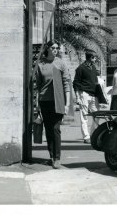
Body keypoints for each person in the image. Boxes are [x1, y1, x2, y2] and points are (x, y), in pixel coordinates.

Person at [35, 40, 71, 169]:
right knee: (48, 129)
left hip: (58, 100)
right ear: (48, 49)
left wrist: (67, 104)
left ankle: (57, 158)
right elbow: (38, 87)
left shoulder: (61, 63)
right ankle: (51, 155)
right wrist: (37, 105)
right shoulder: (40, 65)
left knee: (56, 128)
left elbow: (66, 83)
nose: (55, 50)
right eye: (53, 48)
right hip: (44, 101)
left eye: (57, 48)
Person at [73, 50, 100, 144]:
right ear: (90, 57)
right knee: (84, 116)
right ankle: (86, 136)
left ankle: (93, 134)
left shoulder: (93, 68)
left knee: (97, 115)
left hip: (93, 95)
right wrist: (77, 97)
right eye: (94, 57)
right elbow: (76, 83)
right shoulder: (80, 68)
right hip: (84, 94)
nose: (95, 59)